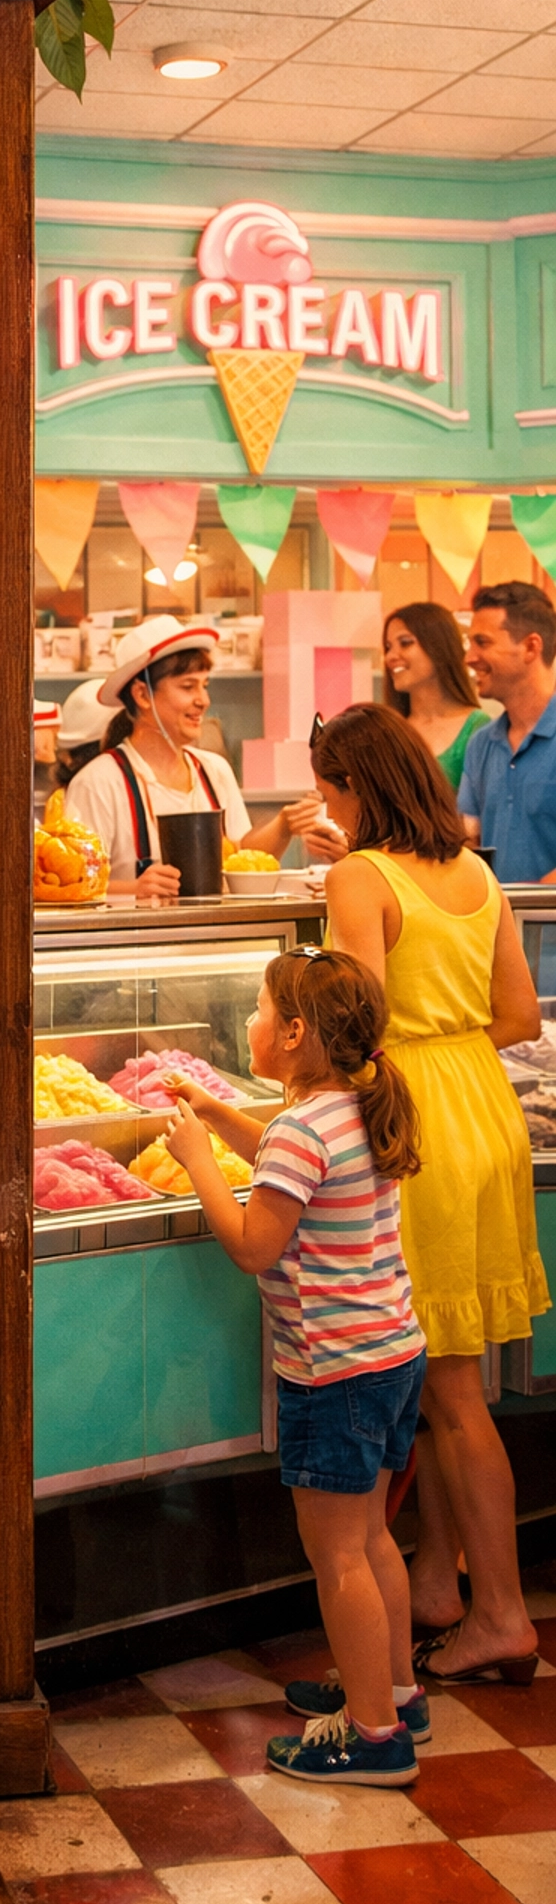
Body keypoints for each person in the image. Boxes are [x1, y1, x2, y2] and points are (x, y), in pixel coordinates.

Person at [316, 702, 546, 1685]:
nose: (324, 803)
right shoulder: (477, 873)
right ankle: (441, 1580)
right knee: (452, 1368)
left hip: (415, 1127)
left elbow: (353, 1023)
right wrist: (448, 1050)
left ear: (356, 787)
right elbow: (518, 1014)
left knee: (449, 1392)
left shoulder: (359, 876)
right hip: (483, 1114)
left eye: (330, 786)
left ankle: (501, 1616)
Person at [164, 948, 428, 1785]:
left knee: (338, 1557)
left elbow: (254, 1245)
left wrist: (200, 1161)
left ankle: (375, 1738)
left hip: (334, 1374)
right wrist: (217, 1110)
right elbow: (288, 1157)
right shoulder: (352, 1108)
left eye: (255, 1008)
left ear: (294, 1033)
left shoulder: (298, 1131)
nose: (247, 1021)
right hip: (392, 1354)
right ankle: (393, 1687)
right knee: (372, 1535)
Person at [64, 615, 335, 904]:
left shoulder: (214, 770)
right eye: (188, 686)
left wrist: (284, 826)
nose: (203, 700)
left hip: (212, 941)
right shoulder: (98, 782)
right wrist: (134, 888)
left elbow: (238, 861)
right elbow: (73, 884)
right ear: (143, 695)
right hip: (132, 946)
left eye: (204, 685)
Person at [458, 580, 556, 883]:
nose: (469, 657)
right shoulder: (481, 744)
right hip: (497, 927)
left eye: (482, 643)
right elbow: (469, 840)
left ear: (531, 646)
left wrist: (522, 911)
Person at [383, 601, 490, 792]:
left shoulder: (478, 728)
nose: (391, 656)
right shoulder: (388, 731)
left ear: (439, 646)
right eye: (388, 647)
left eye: (405, 643)